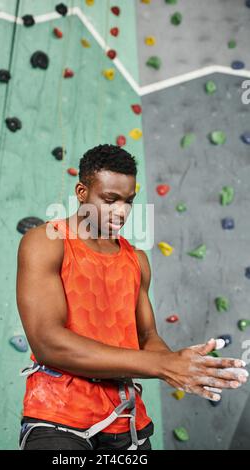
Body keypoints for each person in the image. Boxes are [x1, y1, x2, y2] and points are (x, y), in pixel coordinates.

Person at [16, 144, 247, 450]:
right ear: (82, 192)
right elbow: (48, 343)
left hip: (127, 423)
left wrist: (183, 365)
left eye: (128, 201)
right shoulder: (47, 242)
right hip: (58, 419)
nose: (121, 211)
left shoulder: (135, 259)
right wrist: (161, 365)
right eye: (110, 200)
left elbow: (147, 336)